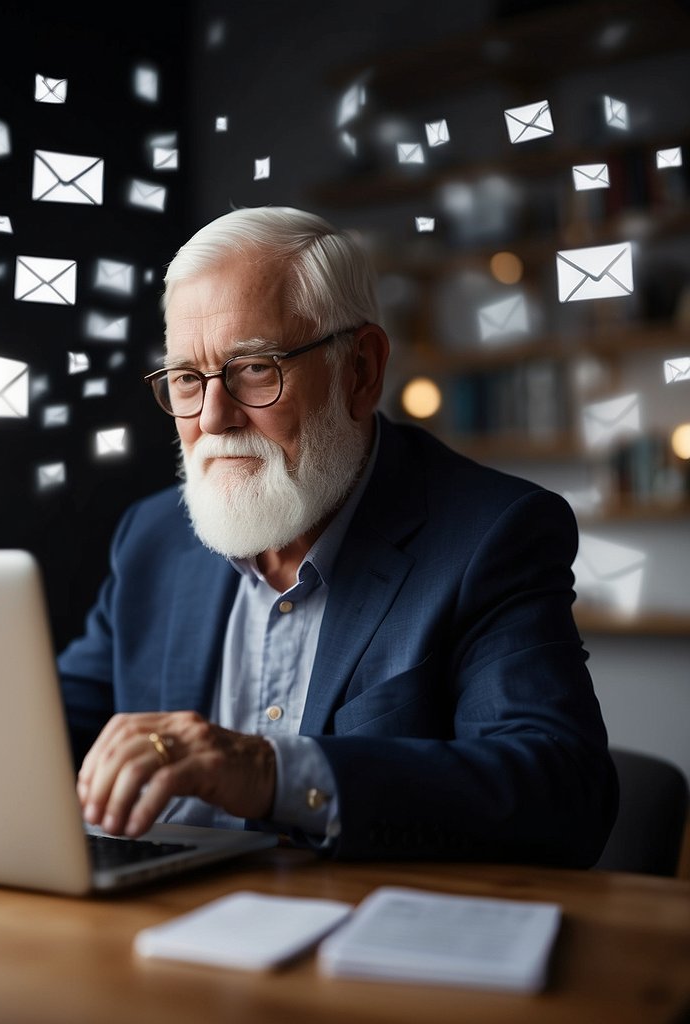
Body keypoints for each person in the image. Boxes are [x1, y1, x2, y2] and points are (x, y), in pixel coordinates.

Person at [58, 205, 618, 866]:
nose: (212, 417)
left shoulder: (492, 534)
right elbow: (54, 725)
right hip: (158, 915)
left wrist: (269, 772)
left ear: (360, 371)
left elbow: (561, 792)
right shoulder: (153, 537)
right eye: (186, 379)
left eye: (254, 368)